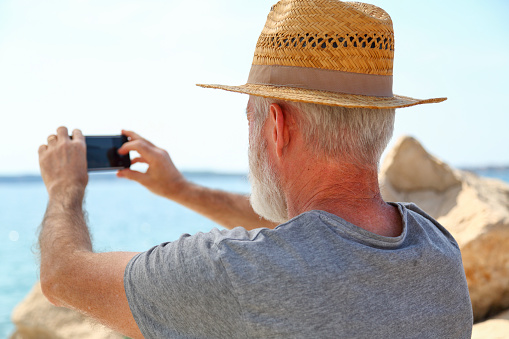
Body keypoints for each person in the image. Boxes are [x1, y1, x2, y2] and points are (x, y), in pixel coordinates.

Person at [37, 1, 473, 338]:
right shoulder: (438, 249)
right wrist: (180, 189)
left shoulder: (237, 274)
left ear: (278, 126)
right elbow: (319, 235)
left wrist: (64, 187)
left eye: (251, 116)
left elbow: (63, 276)